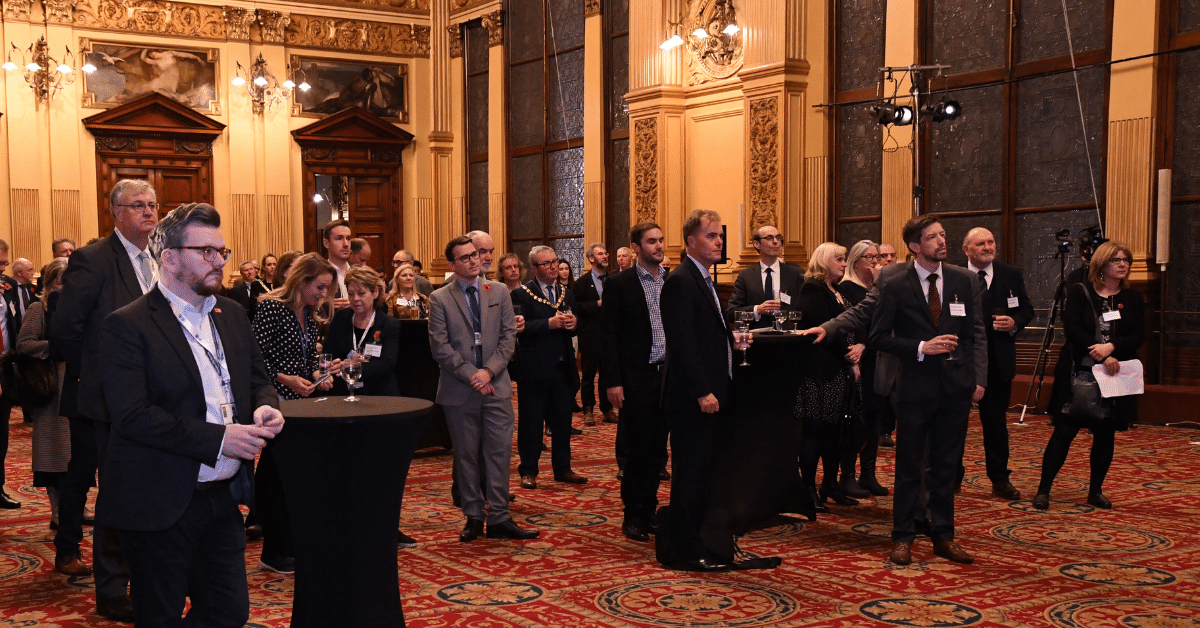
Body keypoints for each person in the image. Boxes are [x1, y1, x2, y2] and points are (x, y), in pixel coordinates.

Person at [100, 202, 284, 627]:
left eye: (222, 251)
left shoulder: (232, 314)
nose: (219, 261)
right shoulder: (127, 325)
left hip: (222, 495)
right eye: (206, 252)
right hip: (158, 497)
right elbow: (132, 415)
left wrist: (265, 406)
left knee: (228, 611)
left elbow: (258, 378)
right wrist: (220, 439)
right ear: (170, 258)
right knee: (160, 615)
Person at [51, 178, 161, 621]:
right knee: (116, 494)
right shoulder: (92, 259)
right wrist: (100, 380)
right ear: (116, 212)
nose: (149, 213)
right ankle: (114, 589)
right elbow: (66, 332)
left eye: (153, 205)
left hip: (159, 399)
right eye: (138, 206)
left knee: (153, 490)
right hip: (110, 402)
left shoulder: (161, 258)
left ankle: (152, 572)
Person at [871, 214, 986, 566]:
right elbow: (879, 338)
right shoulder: (894, 282)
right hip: (914, 389)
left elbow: (975, 333)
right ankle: (903, 537)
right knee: (909, 467)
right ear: (915, 246)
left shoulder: (963, 280)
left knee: (946, 467)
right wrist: (921, 346)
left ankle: (944, 536)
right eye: (932, 237)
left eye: (943, 235)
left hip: (955, 388)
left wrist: (977, 378)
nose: (941, 241)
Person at [428, 235, 536, 542]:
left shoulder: (498, 291)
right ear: (452, 265)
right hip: (459, 389)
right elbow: (440, 347)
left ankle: (500, 517)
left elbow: (508, 337)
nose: (474, 260)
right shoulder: (439, 298)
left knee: (499, 454)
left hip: (496, 385)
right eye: (465, 258)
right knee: (466, 456)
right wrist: (472, 375)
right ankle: (473, 516)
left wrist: (488, 372)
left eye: (475, 255)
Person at [1034, 241, 1144, 511]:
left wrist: (1113, 348)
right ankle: (1043, 491)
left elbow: (1138, 335)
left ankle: (1095, 491)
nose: (1122, 264)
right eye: (1116, 260)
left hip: (1114, 376)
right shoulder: (1080, 292)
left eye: (1126, 260)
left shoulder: (1133, 298)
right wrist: (1102, 354)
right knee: (1064, 431)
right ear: (1102, 265)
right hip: (1079, 372)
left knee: (1105, 434)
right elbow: (1072, 329)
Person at [659, 209, 735, 572]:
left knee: (705, 472)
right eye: (711, 236)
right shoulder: (681, 280)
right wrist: (703, 390)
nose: (719, 242)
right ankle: (684, 550)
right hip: (693, 399)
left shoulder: (703, 278)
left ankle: (698, 541)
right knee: (689, 474)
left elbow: (707, 335)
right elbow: (683, 344)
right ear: (691, 241)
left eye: (720, 236)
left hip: (711, 395)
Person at [252, 253, 338, 574]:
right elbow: (255, 358)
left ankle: (287, 546)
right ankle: (273, 550)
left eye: (327, 289)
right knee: (277, 479)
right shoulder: (273, 308)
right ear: (301, 282)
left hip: (301, 405)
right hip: (276, 403)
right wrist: (286, 378)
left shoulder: (312, 315)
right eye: (319, 287)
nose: (323, 295)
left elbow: (306, 364)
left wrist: (318, 376)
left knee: (292, 480)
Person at [601, 222, 671, 542]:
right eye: (651, 241)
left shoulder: (672, 282)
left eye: (660, 240)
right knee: (638, 450)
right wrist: (613, 381)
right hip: (637, 377)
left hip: (669, 377)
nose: (658, 246)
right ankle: (634, 515)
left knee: (659, 452)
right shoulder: (620, 284)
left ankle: (652, 510)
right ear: (636, 248)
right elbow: (609, 336)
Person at [962, 227, 1033, 501]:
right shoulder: (954, 274)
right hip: (962, 362)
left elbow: (1025, 308)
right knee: (955, 424)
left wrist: (1016, 322)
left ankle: (1000, 479)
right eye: (980, 243)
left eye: (991, 242)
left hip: (999, 362)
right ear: (967, 250)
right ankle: (952, 476)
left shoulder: (1010, 274)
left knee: (995, 424)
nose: (988, 247)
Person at [511, 246, 589, 488]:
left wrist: (574, 322)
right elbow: (519, 330)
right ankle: (528, 471)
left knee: (563, 421)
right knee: (531, 421)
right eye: (547, 263)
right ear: (535, 268)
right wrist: (548, 323)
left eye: (555, 261)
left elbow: (577, 323)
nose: (553, 266)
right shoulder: (522, 294)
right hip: (534, 367)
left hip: (563, 366)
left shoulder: (566, 291)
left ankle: (563, 468)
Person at [796, 242, 861, 511]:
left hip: (840, 371)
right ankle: (808, 488)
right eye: (839, 259)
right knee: (815, 432)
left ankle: (830, 485)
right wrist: (849, 354)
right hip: (818, 372)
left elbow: (857, 322)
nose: (844, 264)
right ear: (824, 261)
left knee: (835, 432)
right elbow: (821, 328)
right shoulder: (812, 289)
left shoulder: (840, 290)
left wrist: (860, 347)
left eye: (844, 259)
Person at [15, 258, 70, 531]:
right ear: (49, 284)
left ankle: (75, 506)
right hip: (50, 387)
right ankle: (57, 510)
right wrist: (53, 346)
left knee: (76, 455)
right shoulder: (39, 308)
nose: (65, 286)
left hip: (74, 386)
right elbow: (23, 344)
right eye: (60, 280)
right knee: (52, 455)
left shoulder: (76, 309)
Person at [836, 240, 888, 499]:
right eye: (869, 257)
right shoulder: (847, 288)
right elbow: (862, 321)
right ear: (855, 261)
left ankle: (868, 473)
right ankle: (847, 475)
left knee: (873, 419)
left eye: (877, 257)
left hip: (878, 357)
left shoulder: (877, 287)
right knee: (855, 418)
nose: (875, 262)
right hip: (857, 360)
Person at [325, 267, 399, 398]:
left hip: (379, 394)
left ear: (375, 293)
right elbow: (328, 354)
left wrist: (352, 366)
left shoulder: (389, 324)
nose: (355, 299)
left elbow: (387, 365)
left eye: (361, 293)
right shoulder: (340, 318)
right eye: (351, 293)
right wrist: (337, 364)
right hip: (343, 394)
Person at [726, 224, 803, 328]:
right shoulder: (746, 276)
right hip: (757, 339)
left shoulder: (796, 273)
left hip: (788, 339)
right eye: (769, 238)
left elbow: (806, 309)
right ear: (757, 244)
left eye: (778, 238)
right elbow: (732, 313)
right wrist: (757, 310)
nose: (776, 241)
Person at [573, 243, 612, 426]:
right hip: (589, 335)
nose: (604, 256)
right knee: (588, 375)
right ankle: (588, 409)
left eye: (605, 253)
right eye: (600, 254)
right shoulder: (581, 282)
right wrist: (597, 304)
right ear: (591, 258)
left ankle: (607, 409)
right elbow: (576, 307)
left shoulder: (613, 280)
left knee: (607, 374)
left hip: (609, 336)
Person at [323, 219, 353, 309]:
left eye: (348, 239)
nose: (346, 244)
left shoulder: (359, 273)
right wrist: (326, 306)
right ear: (326, 243)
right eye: (339, 238)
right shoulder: (319, 274)